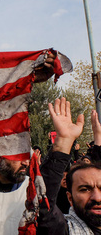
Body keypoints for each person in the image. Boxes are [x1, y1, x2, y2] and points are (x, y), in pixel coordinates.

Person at [36, 97, 101, 234]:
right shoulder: (65, 230)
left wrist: (99, 141)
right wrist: (64, 142)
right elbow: (42, 205)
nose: (97, 197)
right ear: (70, 198)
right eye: (85, 189)